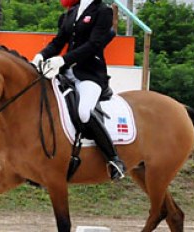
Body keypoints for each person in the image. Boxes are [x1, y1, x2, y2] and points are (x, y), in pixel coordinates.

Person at [32, 0, 126, 181]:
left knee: (84, 112)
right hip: (65, 73)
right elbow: (59, 41)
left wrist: (63, 60)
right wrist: (41, 55)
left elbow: (94, 45)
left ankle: (114, 159)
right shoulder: (72, 11)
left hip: (89, 74)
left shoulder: (103, 11)